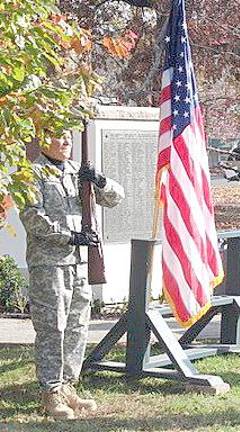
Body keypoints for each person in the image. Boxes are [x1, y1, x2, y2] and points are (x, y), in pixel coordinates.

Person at [19, 129, 124, 419]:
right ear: (43, 139)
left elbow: (116, 197)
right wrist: (71, 237)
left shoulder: (78, 171)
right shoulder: (33, 174)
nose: (66, 142)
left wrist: (99, 180)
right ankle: (50, 392)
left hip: (80, 263)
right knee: (53, 327)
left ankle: (68, 386)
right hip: (49, 263)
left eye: (69, 137)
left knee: (78, 325)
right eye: (59, 137)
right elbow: (32, 217)